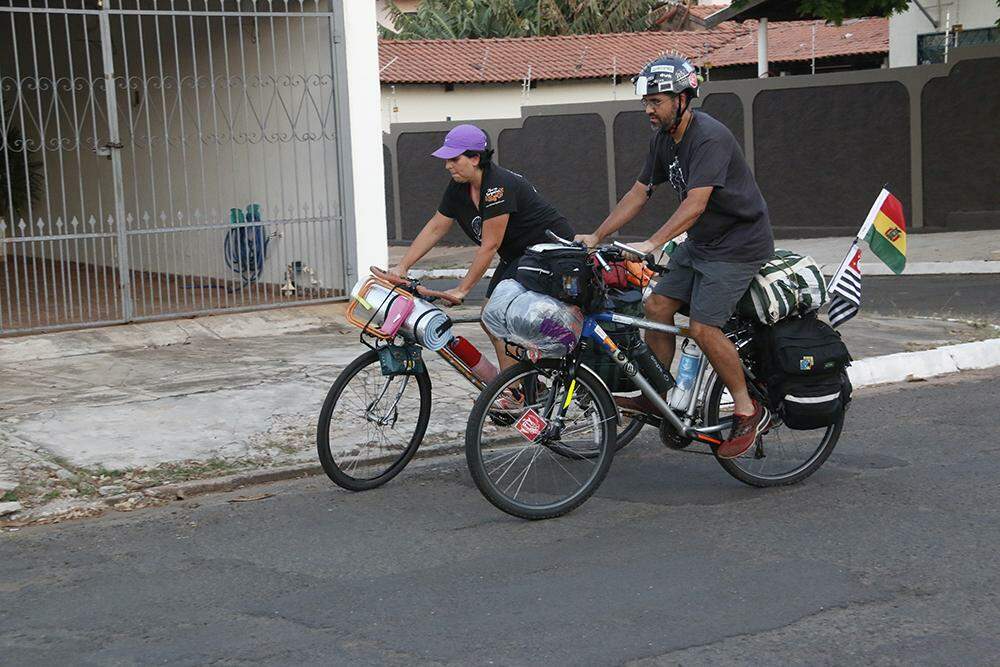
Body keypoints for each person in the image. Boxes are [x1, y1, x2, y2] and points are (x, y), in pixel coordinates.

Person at [576, 55, 775, 459]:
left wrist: (651, 243)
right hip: (703, 244)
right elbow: (639, 192)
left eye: (657, 101)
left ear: (684, 98)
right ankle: (662, 393)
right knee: (656, 304)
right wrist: (598, 235)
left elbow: (696, 204)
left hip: (738, 246)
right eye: (646, 101)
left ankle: (746, 408)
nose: (648, 109)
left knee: (704, 328)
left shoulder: (709, 137)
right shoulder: (664, 139)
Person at [390, 124, 575, 370]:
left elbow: (490, 245)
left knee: (494, 314)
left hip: (547, 253)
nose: (448, 165)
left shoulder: (498, 186)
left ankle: (516, 388)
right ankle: (523, 385)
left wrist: (462, 289)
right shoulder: (458, 187)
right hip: (517, 256)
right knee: (491, 320)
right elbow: (436, 227)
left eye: (454, 159)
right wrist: (403, 266)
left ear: (475, 158)